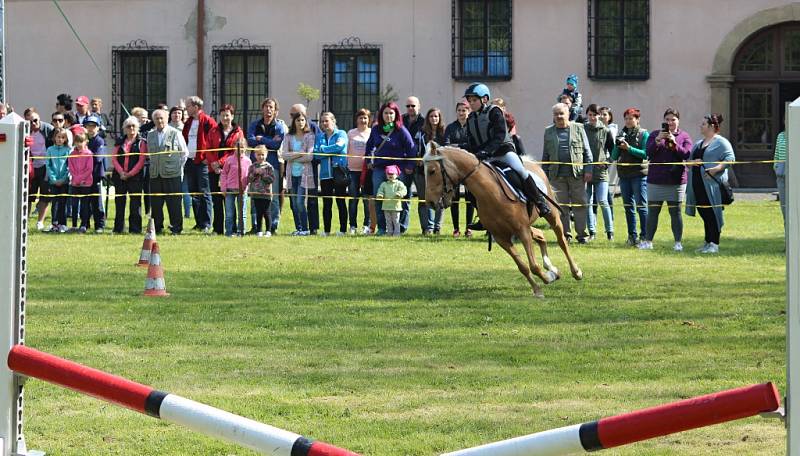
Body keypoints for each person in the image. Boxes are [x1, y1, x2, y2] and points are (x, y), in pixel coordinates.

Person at [465, 83, 552, 228]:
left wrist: (486, 151)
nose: (471, 103)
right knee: (471, 183)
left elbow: (499, 136)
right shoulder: (470, 119)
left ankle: (540, 202)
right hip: (486, 157)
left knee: (521, 171)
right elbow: (472, 141)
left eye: (474, 100)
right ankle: (482, 216)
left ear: (485, 99)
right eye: (470, 100)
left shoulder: (495, 112)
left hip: (504, 151)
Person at [640, 108, 693, 251]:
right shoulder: (654, 135)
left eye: (673, 119)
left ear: (678, 121)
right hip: (655, 180)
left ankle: (677, 243)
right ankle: (648, 241)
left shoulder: (684, 136)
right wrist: (657, 141)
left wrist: (675, 143)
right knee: (653, 212)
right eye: (667, 120)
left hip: (675, 181)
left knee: (675, 213)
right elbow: (648, 153)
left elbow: (687, 154)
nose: (670, 122)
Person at [541, 102, 592, 243]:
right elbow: (545, 156)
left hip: (577, 175)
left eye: (561, 113)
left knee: (580, 204)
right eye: (556, 114)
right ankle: (565, 235)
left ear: (568, 114)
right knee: (561, 206)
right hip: (556, 177)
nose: (558, 116)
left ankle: (582, 235)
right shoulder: (548, 131)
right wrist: (544, 176)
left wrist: (588, 170)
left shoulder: (579, 128)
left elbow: (587, 152)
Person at [686, 114, 735, 254]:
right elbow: (688, 162)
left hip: (712, 186)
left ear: (712, 126)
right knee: (704, 212)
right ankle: (707, 242)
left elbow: (730, 159)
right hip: (697, 185)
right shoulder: (698, 144)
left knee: (713, 213)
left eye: (703, 124)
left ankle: (715, 243)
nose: (700, 126)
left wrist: (716, 169)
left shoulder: (721, 142)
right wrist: (692, 163)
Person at [366, 102, 415, 235]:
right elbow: (369, 146)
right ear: (382, 114)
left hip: (398, 170)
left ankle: (400, 228)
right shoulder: (376, 130)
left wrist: (410, 166)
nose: (388, 116)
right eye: (386, 113)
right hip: (380, 169)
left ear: (396, 115)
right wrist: (369, 160)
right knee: (379, 197)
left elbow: (411, 148)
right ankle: (382, 228)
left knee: (401, 198)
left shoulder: (401, 130)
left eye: (391, 113)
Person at [143, 109, 189, 235]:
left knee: (174, 202)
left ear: (167, 118)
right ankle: (157, 227)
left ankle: (176, 228)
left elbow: (184, 153)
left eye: (161, 118)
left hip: (173, 174)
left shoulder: (175, 133)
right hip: (155, 174)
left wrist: (177, 168)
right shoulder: (150, 135)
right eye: (157, 118)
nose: (159, 120)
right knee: (156, 203)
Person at [611, 107, 649, 246]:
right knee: (628, 207)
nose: (628, 121)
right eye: (626, 118)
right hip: (624, 175)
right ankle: (632, 236)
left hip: (639, 175)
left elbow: (645, 154)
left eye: (631, 118)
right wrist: (618, 144)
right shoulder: (622, 133)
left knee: (641, 207)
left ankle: (645, 237)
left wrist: (629, 148)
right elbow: (614, 156)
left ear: (637, 120)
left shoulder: (644, 134)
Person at [247, 97, 286, 234]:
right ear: (262, 108)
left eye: (271, 107)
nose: (269, 109)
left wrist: (261, 139)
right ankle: (255, 226)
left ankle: (273, 226)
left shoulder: (279, 127)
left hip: (273, 166)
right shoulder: (254, 125)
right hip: (255, 166)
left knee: (273, 197)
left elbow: (277, 144)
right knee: (254, 196)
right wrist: (269, 141)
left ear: (275, 111)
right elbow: (250, 141)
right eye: (266, 106)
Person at [207, 104, 244, 234]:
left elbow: (235, 150)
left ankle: (232, 228)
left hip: (231, 171)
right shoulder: (213, 131)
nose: (225, 118)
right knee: (216, 200)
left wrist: (220, 162)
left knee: (230, 201)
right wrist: (213, 164)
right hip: (214, 171)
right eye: (222, 115)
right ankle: (217, 229)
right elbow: (208, 149)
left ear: (232, 116)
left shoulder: (238, 132)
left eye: (227, 115)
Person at [182, 96, 217, 233]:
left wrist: (208, 158)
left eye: (188, 106)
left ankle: (207, 223)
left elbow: (214, 140)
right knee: (194, 192)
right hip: (190, 161)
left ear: (196, 107)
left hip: (202, 162)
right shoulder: (189, 122)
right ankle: (198, 222)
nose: (186, 109)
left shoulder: (208, 121)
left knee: (204, 192)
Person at [444, 99, 475, 237]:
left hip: (469, 168)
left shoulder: (473, 127)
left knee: (470, 198)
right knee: (454, 198)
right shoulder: (451, 128)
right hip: (454, 168)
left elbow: (473, 145)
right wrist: (463, 146)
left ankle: (469, 228)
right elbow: (446, 145)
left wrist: (457, 147)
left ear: (469, 112)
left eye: (464, 110)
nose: (461, 113)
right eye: (459, 110)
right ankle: (456, 228)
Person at [314, 112, 349, 236]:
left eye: (326, 121)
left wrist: (323, 149)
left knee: (340, 202)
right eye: (322, 121)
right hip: (325, 175)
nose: (324, 123)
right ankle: (327, 230)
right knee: (326, 203)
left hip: (339, 173)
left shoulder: (341, 133)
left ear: (333, 121)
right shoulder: (319, 136)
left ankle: (343, 230)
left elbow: (340, 147)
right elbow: (316, 154)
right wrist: (325, 151)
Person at [584, 104, 614, 240]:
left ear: (599, 116)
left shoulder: (605, 130)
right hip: (586, 171)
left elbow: (613, 150)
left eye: (594, 115)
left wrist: (607, 162)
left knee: (602, 200)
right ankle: (592, 231)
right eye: (589, 115)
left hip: (601, 172)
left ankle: (610, 232)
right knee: (588, 201)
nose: (592, 117)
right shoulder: (582, 129)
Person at [111, 116, 146, 234]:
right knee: (119, 203)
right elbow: (114, 159)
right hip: (119, 177)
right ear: (124, 129)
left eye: (133, 126)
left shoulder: (142, 142)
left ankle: (135, 229)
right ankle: (118, 228)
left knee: (135, 203)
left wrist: (130, 174)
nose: (131, 128)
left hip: (135, 178)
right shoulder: (119, 141)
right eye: (128, 126)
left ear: (137, 128)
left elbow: (141, 161)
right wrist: (121, 172)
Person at [282, 111, 316, 236]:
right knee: (294, 203)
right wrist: (300, 153)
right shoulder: (288, 136)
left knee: (300, 202)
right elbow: (284, 155)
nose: (300, 122)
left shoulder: (310, 136)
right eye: (298, 120)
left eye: (302, 120)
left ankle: (305, 228)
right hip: (292, 174)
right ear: (294, 122)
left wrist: (293, 156)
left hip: (304, 175)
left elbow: (310, 157)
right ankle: (299, 228)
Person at [415, 107, 445, 234]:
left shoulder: (444, 133)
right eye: (431, 116)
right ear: (428, 118)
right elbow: (416, 148)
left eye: (436, 116)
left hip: (439, 174)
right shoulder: (421, 133)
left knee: (439, 200)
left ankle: (437, 227)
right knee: (424, 200)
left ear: (439, 118)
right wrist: (418, 158)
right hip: (422, 172)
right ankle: (427, 227)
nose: (434, 119)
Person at [347, 109, 372, 234]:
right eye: (361, 118)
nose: (363, 120)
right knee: (353, 198)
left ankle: (366, 225)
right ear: (356, 119)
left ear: (369, 119)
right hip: (352, 170)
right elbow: (346, 150)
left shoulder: (372, 133)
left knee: (367, 199)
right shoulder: (351, 133)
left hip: (367, 171)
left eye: (365, 118)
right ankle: (352, 226)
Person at [220, 138, 252, 237]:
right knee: (229, 213)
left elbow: (249, 176)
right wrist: (223, 188)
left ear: (245, 148)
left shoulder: (248, 161)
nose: (240, 149)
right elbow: (224, 174)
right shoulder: (229, 160)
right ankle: (229, 232)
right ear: (234, 147)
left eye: (242, 147)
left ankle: (241, 231)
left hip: (242, 191)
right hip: (230, 190)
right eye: (237, 147)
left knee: (242, 213)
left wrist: (247, 187)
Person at [28, 110, 54, 230]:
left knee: (45, 195)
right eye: (30, 121)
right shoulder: (25, 131)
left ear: (39, 119)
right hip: (31, 166)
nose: (33, 123)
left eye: (35, 120)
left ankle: (40, 222)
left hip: (45, 166)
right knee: (28, 195)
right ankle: (25, 220)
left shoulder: (48, 129)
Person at [83, 115, 106, 232]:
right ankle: (85, 224)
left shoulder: (99, 140)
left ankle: (100, 225)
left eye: (93, 126)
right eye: (88, 126)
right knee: (85, 201)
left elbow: (98, 158)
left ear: (98, 128)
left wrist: (85, 157)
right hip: (83, 176)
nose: (91, 128)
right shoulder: (83, 140)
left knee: (96, 202)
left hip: (95, 175)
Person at [46, 128, 71, 233]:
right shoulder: (50, 150)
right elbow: (48, 165)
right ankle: (55, 224)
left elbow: (70, 166)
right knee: (55, 203)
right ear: (54, 138)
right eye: (58, 137)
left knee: (63, 203)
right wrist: (54, 179)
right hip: (53, 182)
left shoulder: (68, 150)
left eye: (62, 137)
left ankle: (63, 224)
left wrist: (63, 179)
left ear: (65, 139)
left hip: (64, 181)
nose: (60, 139)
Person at [68, 133, 94, 233]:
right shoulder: (72, 154)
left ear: (86, 142)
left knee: (84, 205)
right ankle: (74, 225)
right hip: (74, 183)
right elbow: (71, 168)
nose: (79, 144)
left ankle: (83, 224)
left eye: (81, 141)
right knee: (74, 205)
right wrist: (76, 178)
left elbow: (89, 169)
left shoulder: (89, 154)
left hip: (86, 183)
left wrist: (81, 179)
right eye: (77, 142)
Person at [248, 145, 275, 237]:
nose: (261, 157)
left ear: (266, 155)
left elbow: (272, 179)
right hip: (256, 194)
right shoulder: (252, 166)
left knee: (267, 212)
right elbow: (249, 179)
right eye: (258, 154)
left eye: (262, 154)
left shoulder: (269, 167)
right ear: (255, 155)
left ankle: (268, 230)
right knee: (258, 213)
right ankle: (259, 230)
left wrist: (263, 174)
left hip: (266, 193)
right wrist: (255, 173)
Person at [598, 106, 618, 218]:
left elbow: (612, 147)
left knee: (605, 189)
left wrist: (608, 161)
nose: (602, 116)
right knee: (604, 190)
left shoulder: (611, 129)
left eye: (605, 114)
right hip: (597, 162)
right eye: (600, 114)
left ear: (610, 117)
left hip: (607, 161)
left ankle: (610, 215)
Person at [376, 165, 407, 236]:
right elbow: (380, 190)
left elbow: (404, 190)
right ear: (386, 175)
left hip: (396, 207)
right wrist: (380, 195)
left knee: (396, 221)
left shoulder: (399, 184)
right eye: (388, 174)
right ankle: (389, 232)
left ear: (397, 174)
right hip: (386, 207)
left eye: (392, 174)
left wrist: (400, 193)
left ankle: (397, 233)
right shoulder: (384, 184)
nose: (390, 175)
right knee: (388, 221)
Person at [774, 127, 787, 228]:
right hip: (781, 175)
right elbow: (777, 154)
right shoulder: (781, 136)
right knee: (784, 207)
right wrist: (776, 167)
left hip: (794, 175)